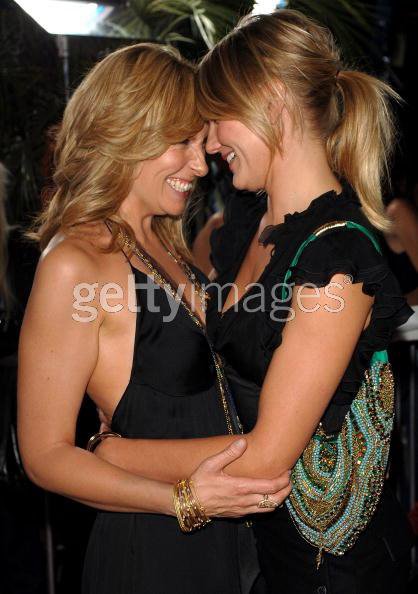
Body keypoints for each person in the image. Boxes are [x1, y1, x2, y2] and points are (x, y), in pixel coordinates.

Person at [94, 10, 415, 593]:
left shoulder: (336, 260)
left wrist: (115, 455)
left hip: (331, 569)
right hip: (255, 551)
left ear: (272, 102)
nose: (212, 143)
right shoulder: (244, 224)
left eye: (219, 118)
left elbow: (267, 459)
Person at [17, 43, 291, 594]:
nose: (201, 164)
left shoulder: (163, 243)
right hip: (155, 547)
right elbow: (44, 456)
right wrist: (182, 500)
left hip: (225, 538)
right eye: (181, 142)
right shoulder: (76, 262)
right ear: (126, 133)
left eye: (202, 142)